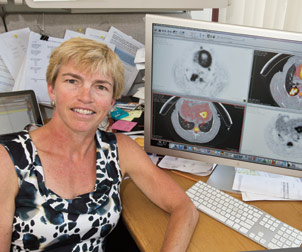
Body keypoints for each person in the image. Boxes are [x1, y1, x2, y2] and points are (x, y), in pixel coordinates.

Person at [0, 37, 199, 252]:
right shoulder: (9, 159)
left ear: (112, 102)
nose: (86, 97)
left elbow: (184, 207)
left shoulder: (119, 150)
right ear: (51, 89)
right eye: (72, 81)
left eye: (100, 87)